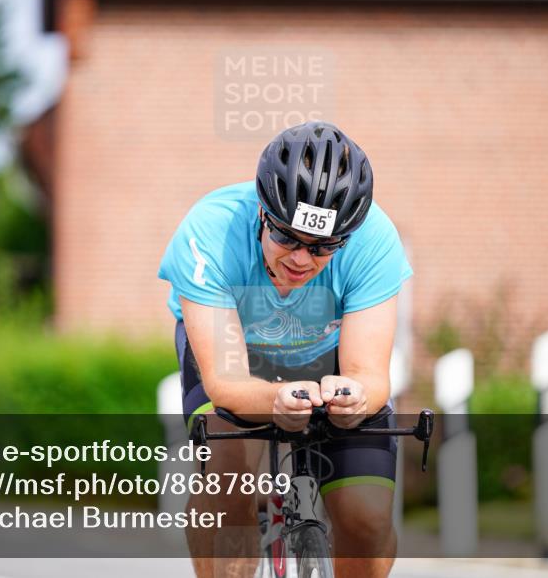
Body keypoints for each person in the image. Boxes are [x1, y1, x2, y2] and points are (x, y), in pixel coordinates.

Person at [158, 121, 413, 578]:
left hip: (330, 356)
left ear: (347, 235)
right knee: (227, 490)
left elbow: (370, 376)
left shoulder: (375, 241)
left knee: (367, 517)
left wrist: (355, 396)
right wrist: (273, 399)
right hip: (237, 357)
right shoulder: (210, 232)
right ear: (262, 211)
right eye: (287, 238)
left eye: (322, 247)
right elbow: (227, 382)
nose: (300, 259)